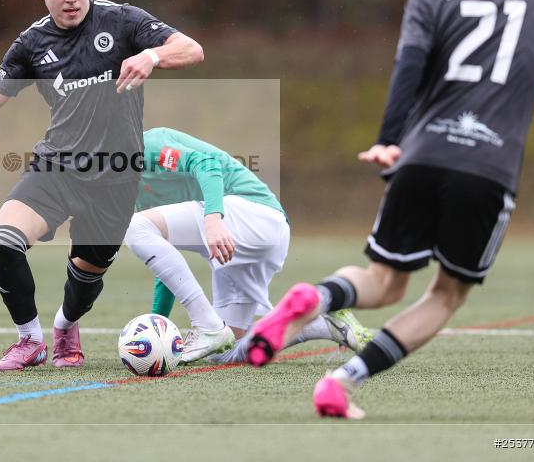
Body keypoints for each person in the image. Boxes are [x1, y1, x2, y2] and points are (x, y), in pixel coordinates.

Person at [245, 0, 534, 419]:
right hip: (488, 167)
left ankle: (314, 299)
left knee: (384, 280)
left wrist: (389, 140)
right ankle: (341, 383)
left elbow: (407, 71)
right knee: (445, 296)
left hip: (420, 155)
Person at [0, 0, 203, 371]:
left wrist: (151, 55)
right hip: (57, 166)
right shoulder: (32, 43)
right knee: (3, 242)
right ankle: (29, 341)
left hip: (116, 175)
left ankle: (66, 325)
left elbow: (193, 49)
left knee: (85, 277)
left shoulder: (123, 21)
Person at [124, 127, 371, 364]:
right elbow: (165, 266)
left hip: (255, 215)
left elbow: (206, 163)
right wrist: (158, 324)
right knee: (226, 351)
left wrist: (213, 219)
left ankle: (208, 326)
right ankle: (323, 323)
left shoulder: (149, 145)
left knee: (136, 227)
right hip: (250, 239)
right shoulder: (135, 193)